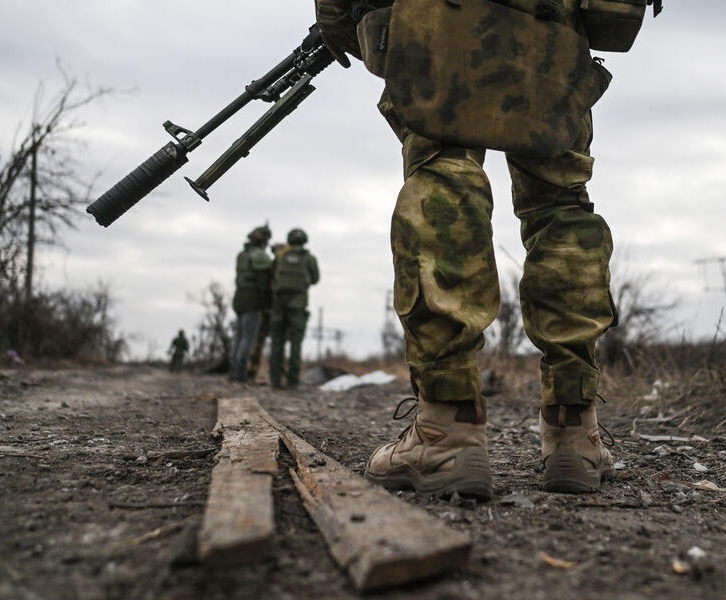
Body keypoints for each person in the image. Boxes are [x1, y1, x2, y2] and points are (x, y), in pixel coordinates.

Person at [316, 0, 624, 498]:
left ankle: (446, 430)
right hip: (554, 25)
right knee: (561, 204)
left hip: (441, 16)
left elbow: (338, 15)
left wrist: (344, 21)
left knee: (445, 172)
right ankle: (575, 433)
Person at [268, 229, 319, 388]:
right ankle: (292, 381)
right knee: (296, 343)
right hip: (298, 305)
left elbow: (272, 272)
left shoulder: (281, 255)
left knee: (277, 341)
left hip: (279, 304)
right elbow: (316, 278)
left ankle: (275, 379)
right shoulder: (309, 258)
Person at [229, 225, 273, 382]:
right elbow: (263, 282)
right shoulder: (259, 256)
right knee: (247, 337)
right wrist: (268, 303)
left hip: (239, 297)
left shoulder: (242, 255)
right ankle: (240, 372)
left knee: (239, 336)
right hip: (252, 299)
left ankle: (233, 371)